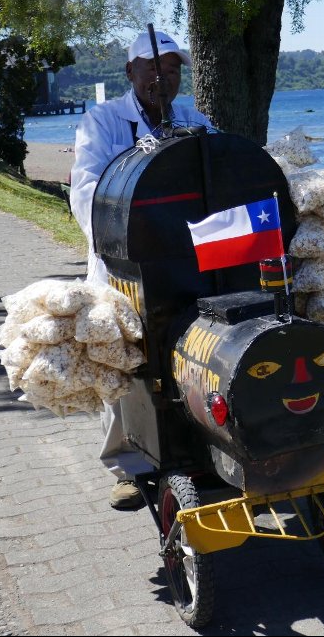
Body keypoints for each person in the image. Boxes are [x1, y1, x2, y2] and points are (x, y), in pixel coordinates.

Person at [70, 30, 215, 510]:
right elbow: (86, 191)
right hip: (123, 262)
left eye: (172, 69)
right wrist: (137, 227)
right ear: (131, 73)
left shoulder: (194, 119)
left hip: (187, 258)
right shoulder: (104, 122)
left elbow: (218, 173)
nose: (162, 76)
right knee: (125, 356)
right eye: (152, 68)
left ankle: (201, 438)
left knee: (198, 345)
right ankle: (127, 466)